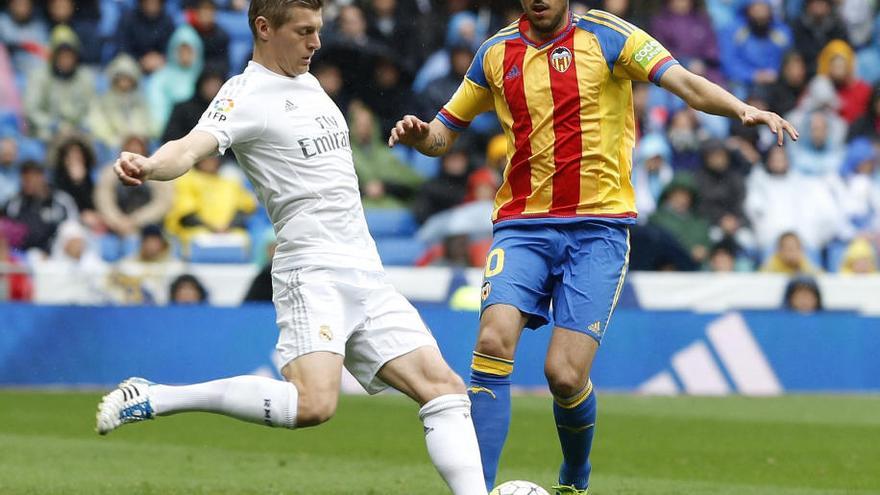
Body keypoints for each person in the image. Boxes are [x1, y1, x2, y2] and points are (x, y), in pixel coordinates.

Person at [388, 1, 797, 492]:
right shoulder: (494, 54)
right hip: (523, 225)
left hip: (598, 229)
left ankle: (575, 476)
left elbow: (684, 82)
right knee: (493, 342)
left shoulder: (610, 37)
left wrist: (742, 108)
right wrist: (421, 135)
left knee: (563, 374)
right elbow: (442, 135)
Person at [95, 2, 487, 494]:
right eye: (304, 32)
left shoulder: (311, 82)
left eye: (318, 30)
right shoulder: (245, 93)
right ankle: (158, 396)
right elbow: (190, 147)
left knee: (446, 392)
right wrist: (151, 165)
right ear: (264, 28)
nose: (316, 43)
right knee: (313, 405)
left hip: (365, 269)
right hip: (312, 269)